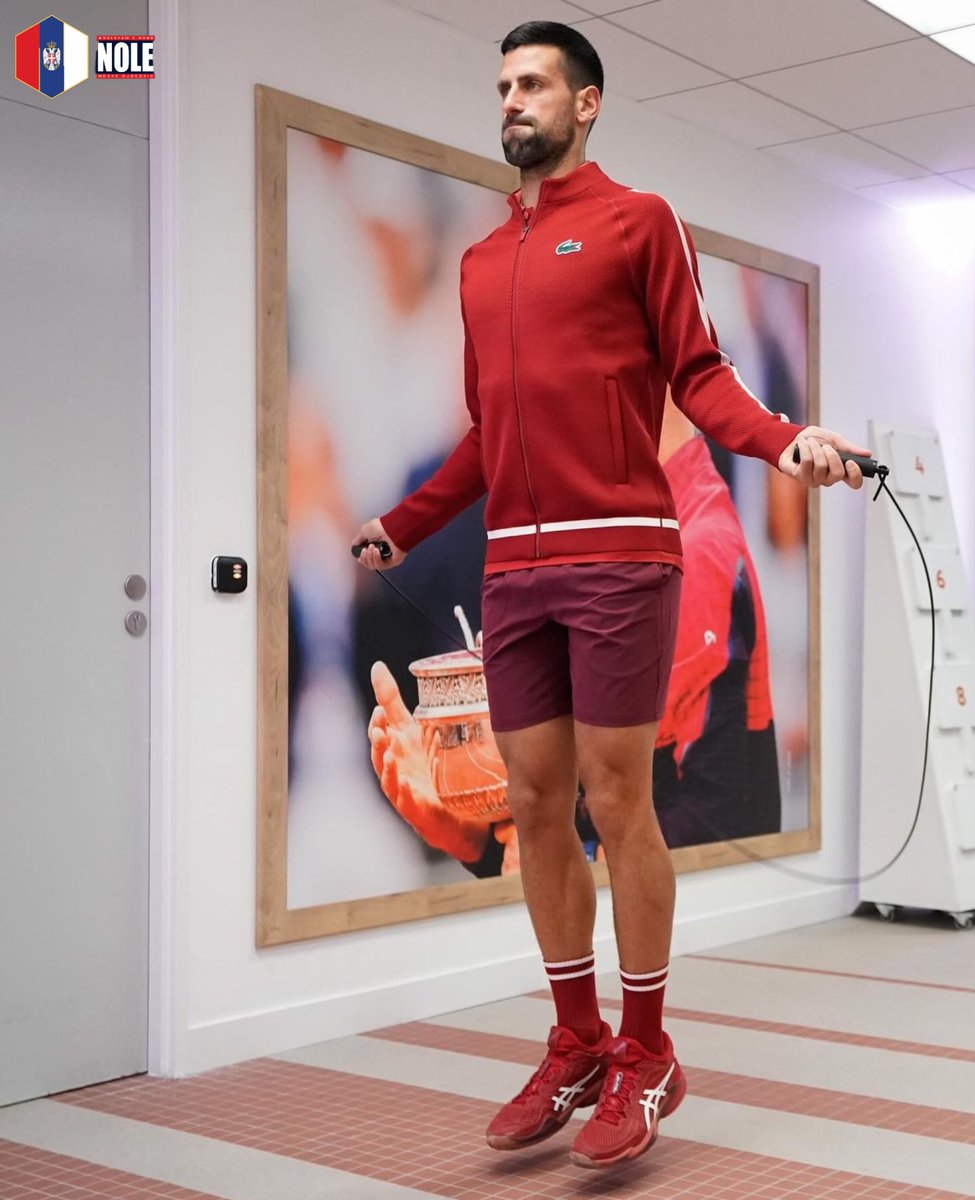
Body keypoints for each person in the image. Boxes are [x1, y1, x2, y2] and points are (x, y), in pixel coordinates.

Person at [353, 20, 868, 1171]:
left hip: (623, 555)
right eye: (502, 84)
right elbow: (488, 434)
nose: (513, 100)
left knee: (612, 798)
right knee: (538, 805)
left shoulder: (642, 222)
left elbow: (699, 372)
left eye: (534, 82)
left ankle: (646, 1049)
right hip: (515, 568)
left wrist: (785, 444)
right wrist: (406, 525)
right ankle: (575, 1036)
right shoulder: (484, 264)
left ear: (586, 104)